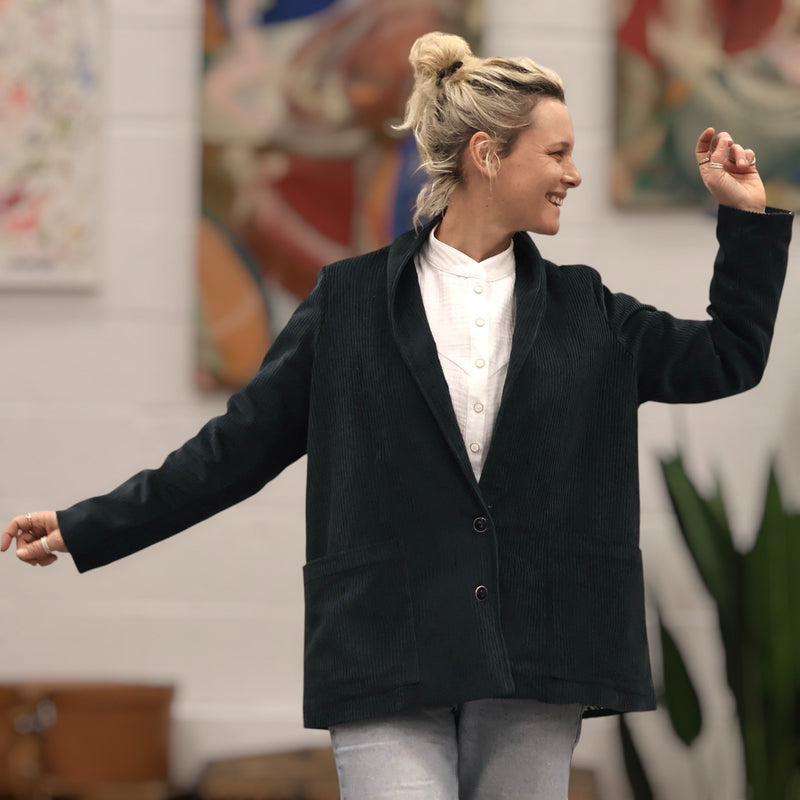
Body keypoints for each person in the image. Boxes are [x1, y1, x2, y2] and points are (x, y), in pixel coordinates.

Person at [2, 31, 793, 800]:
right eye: (556, 153)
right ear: (486, 154)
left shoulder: (591, 312)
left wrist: (747, 219)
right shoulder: (346, 305)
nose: (573, 174)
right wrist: (87, 525)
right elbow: (233, 449)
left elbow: (729, 356)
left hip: (540, 649)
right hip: (385, 645)